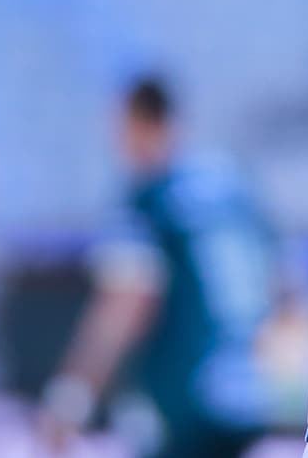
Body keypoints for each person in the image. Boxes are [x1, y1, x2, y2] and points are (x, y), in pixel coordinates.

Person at [40, 77, 275, 458]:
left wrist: (73, 395)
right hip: (247, 395)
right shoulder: (231, 189)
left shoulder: (149, 198)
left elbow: (127, 303)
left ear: (134, 122)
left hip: (182, 402)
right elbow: (278, 284)